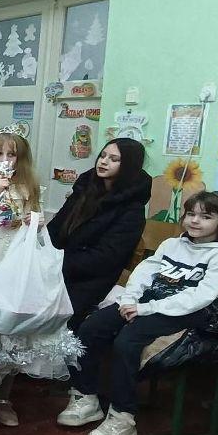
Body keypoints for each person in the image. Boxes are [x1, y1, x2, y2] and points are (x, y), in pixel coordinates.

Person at [58, 191, 218, 435]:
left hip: (186, 312)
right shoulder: (172, 245)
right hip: (146, 303)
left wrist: (146, 308)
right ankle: (86, 397)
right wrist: (129, 300)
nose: (194, 220)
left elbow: (200, 297)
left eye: (206, 216)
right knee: (91, 327)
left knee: (127, 341)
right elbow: (144, 273)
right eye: (190, 214)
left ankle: (122, 416)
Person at [0, 128, 80, 427]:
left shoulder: (28, 188)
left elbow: (36, 229)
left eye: (11, 154)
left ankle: (3, 397)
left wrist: (34, 222)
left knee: (12, 332)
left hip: (17, 265)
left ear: (20, 158)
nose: (4, 160)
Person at [47, 138, 151, 329]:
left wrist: (57, 263)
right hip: (58, 266)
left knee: (52, 317)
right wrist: (43, 252)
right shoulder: (85, 189)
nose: (103, 161)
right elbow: (56, 227)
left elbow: (105, 258)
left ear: (128, 165)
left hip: (90, 279)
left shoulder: (132, 209)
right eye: (103, 155)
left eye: (114, 159)